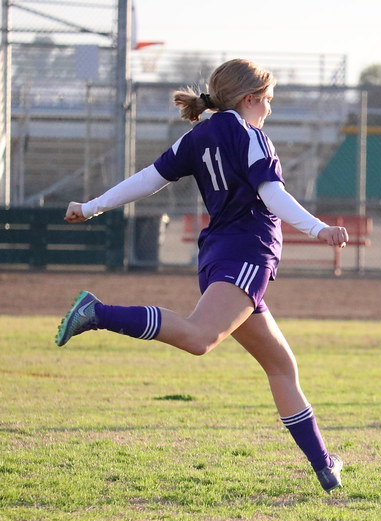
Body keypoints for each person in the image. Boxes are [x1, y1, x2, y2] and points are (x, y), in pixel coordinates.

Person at [55, 58, 348, 493]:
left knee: (281, 366)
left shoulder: (200, 135)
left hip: (219, 255)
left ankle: (326, 467)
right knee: (199, 338)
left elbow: (148, 179)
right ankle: (97, 313)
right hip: (247, 254)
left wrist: (91, 206)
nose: (269, 109)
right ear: (249, 98)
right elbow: (272, 194)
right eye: (267, 100)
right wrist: (319, 228)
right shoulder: (251, 136)